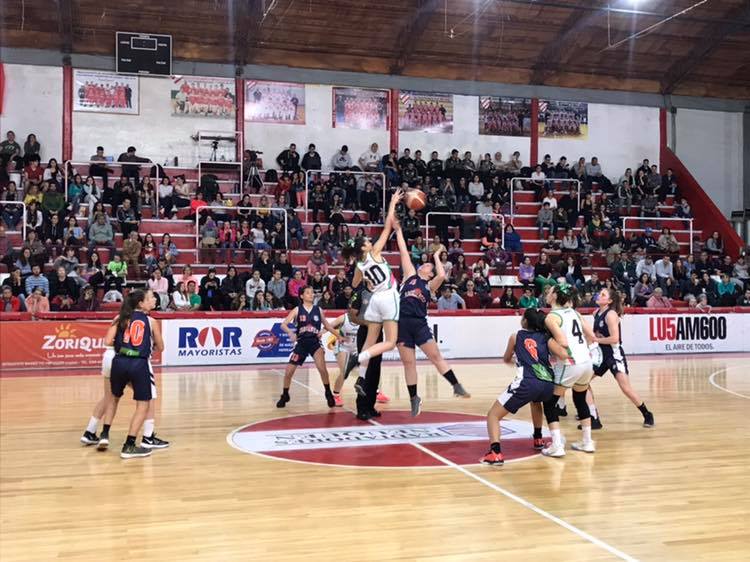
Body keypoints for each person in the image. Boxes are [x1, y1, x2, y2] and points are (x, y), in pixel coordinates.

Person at [393, 221, 470, 415]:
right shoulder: (410, 276)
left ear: (429, 274)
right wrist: (398, 230)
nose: (425, 264)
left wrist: (436, 256)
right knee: (409, 363)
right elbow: (403, 251)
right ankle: (414, 398)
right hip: (402, 323)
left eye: (429, 265)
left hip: (419, 324)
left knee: (435, 356)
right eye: (426, 263)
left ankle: (456, 385)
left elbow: (442, 275)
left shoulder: (430, 285)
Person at [341, 191, 404, 391]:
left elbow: (354, 285)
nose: (370, 242)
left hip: (374, 300)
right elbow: (387, 226)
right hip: (388, 296)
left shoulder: (359, 266)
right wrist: (392, 203)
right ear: (365, 248)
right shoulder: (375, 252)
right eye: (367, 241)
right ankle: (357, 358)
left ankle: (361, 379)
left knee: (370, 340)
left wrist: (366, 281)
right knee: (391, 342)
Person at [481, 309, 555, 465]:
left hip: (527, 381)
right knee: (536, 402)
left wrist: (517, 360)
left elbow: (506, 358)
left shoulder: (516, 336)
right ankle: (538, 438)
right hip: (548, 382)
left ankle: (495, 453)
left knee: (493, 415)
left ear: (525, 321)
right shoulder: (545, 336)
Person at [108, 289, 168, 459]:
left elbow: (109, 341)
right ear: (141, 303)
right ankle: (131, 444)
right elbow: (161, 347)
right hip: (139, 363)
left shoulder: (121, 318)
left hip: (119, 362)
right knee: (144, 404)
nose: (154, 299)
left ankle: (102, 433)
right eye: (151, 298)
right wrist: (148, 346)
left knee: (113, 399)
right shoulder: (150, 321)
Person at [541, 284, 598, 457]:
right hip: (586, 361)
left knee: (549, 403)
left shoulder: (551, 317)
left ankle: (557, 445)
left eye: (550, 291)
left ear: (555, 296)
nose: (547, 293)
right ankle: (587, 442)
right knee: (580, 399)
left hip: (570, 363)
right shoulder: (575, 312)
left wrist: (550, 345)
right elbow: (591, 335)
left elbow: (563, 342)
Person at [592, 287, 654, 427]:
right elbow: (595, 334)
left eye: (603, 294)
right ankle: (591, 414)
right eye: (600, 293)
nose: (599, 295)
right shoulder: (596, 313)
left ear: (609, 301)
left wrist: (596, 340)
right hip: (600, 354)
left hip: (614, 355)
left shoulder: (611, 315)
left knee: (626, 388)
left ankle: (647, 413)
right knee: (582, 382)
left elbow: (614, 339)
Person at [276, 286, 341, 408]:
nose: (311, 295)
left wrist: (339, 336)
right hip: (301, 343)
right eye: (308, 293)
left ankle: (328, 393)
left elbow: (327, 326)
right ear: (301, 296)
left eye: (312, 292)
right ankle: (285, 395)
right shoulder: (297, 309)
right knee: (289, 372)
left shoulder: (318, 310)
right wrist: (290, 333)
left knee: (322, 369)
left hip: (315, 343)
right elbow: (283, 325)